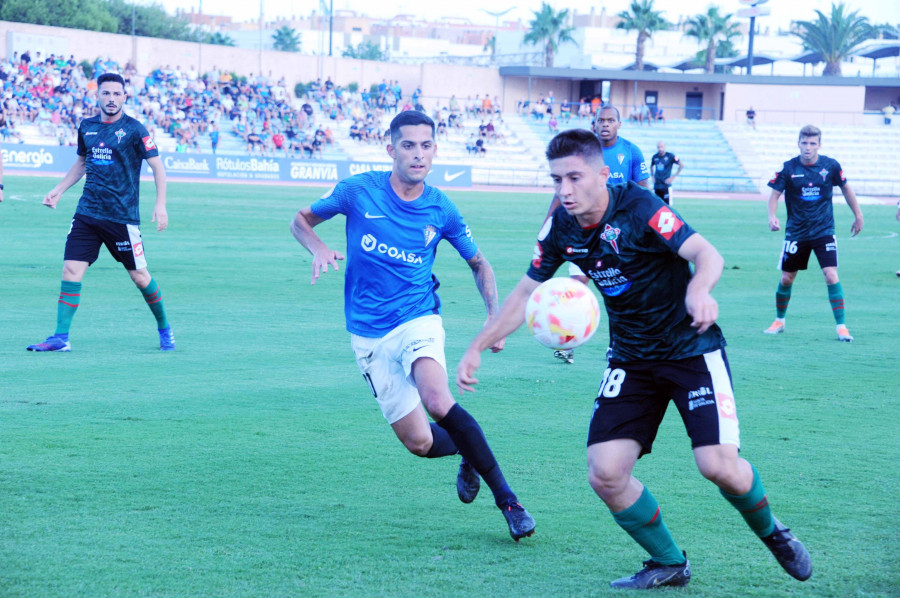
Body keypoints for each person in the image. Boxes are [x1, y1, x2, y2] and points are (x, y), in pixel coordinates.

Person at [457, 129, 812, 589]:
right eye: (556, 179)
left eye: (574, 177)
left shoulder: (642, 207)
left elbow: (706, 254)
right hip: (631, 359)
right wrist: (478, 345)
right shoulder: (560, 230)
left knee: (718, 467)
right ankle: (668, 562)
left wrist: (699, 290)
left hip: (691, 350)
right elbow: (528, 291)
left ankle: (774, 533)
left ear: (603, 174)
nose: (564, 190)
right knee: (605, 473)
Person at [289, 110, 535, 542]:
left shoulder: (442, 208)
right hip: (367, 334)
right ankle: (466, 448)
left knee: (438, 400)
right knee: (420, 443)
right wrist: (318, 247)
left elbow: (479, 263)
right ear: (391, 149)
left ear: (435, 150)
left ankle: (509, 502)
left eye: (426, 145)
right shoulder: (357, 191)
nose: (418, 154)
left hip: (418, 318)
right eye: (408, 145)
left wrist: (493, 317)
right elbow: (301, 219)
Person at [27, 73, 173, 352]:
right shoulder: (87, 126)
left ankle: (165, 328)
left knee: (139, 276)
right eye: (106, 93)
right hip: (87, 213)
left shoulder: (135, 129)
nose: (111, 98)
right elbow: (82, 163)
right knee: (71, 269)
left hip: (121, 217)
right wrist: (59, 189)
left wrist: (161, 203)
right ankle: (60, 337)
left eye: (117, 94)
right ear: (98, 96)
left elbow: (157, 167)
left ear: (124, 97)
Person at [549, 105, 650, 364]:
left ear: (619, 123)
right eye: (600, 120)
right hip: (581, 230)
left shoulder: (631, 152)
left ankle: (616, 346)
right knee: (575, 288)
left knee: (617, 295)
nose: (605, 124)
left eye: (610, 120)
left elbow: (644, 194)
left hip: (618, 236)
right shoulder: (582, 152)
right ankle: (567, 343)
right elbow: (562, 190)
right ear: (594, 123)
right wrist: (548, 222)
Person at [765, 124, 864, 342]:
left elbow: (846, 188)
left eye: (812, 143)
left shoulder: (830, 166)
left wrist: (858, 214)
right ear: (798, 143)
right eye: (804, 142)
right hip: (796, 232)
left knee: (831, 274)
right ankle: (779, 320)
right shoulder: (788, 168)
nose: (808, 147)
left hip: (824, 230)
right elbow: (774, 196)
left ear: (819, 144)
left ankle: (841, 327)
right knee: (787, 278)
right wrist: (772, 216)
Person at [650, 141, 684, 205]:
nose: (660, 149)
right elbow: (651, 166)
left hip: (666, 186)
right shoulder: (655, 157)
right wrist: (652, 176)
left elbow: (682, 165)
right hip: (657, 186)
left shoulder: (670, 156)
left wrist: (673, 177)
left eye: (661, 147)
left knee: (667, 206)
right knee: (656, 206)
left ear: (665, 147)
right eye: (658, 147)